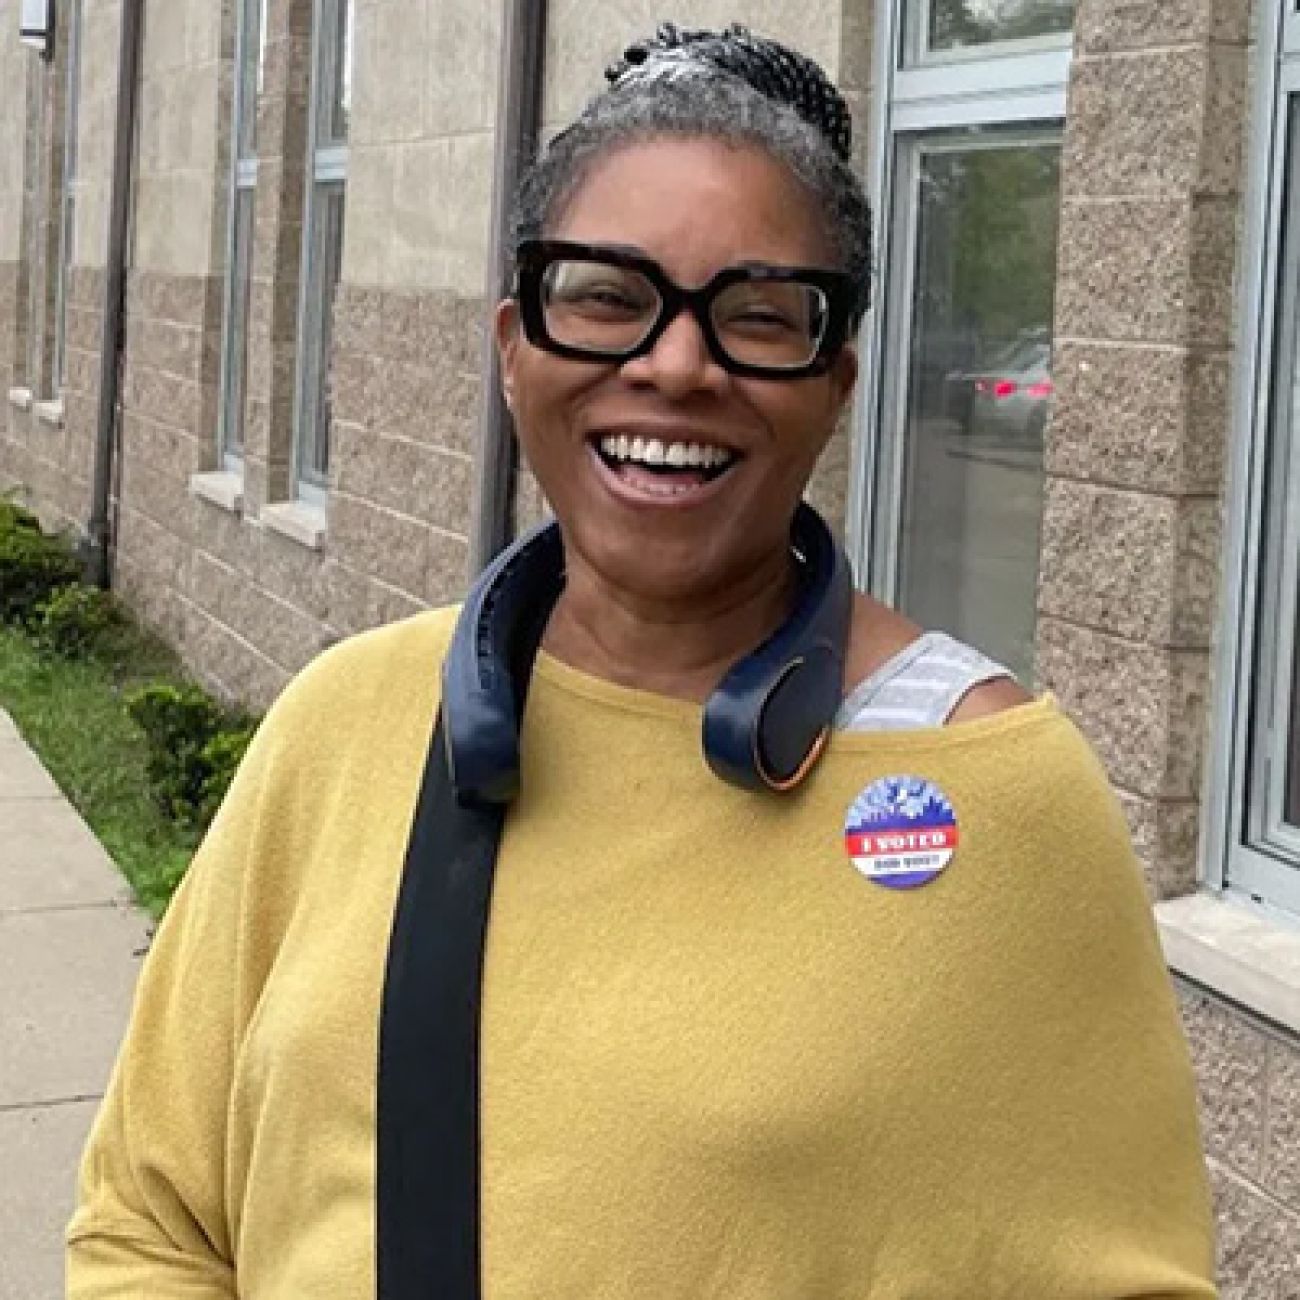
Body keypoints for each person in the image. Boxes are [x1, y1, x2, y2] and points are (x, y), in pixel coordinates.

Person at [67, 23, 1217, 1299]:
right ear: (514, 346)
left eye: (756, 317)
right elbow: (150, 1220)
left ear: (832, 384)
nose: (674, 364)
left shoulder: (994, 791)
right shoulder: (341, 724)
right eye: (606, 297)